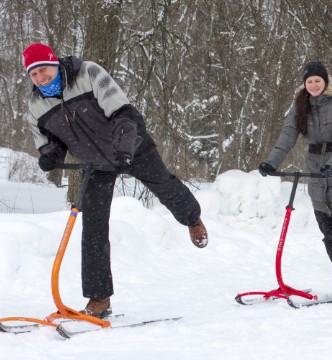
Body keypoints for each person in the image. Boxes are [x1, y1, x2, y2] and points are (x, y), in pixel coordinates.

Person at [22, 42, 209, 317]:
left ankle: (192, 218)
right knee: (94, 227)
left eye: (44, 70)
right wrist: (50, 154)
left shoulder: (88, 73)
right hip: (94, 163)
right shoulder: (36, 105)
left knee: (164, 186)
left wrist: (124, 148)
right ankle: (99, 299)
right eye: (33, 74)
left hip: (131, 145)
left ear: (55, 63)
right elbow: (49, 141)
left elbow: (122, 112)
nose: (41, 78)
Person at [258, 61, 332, 298]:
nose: (314, 85)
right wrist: (271, 162)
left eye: (318, 80)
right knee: (329, 236)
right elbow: (287, 136)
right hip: (317, 179)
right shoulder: (299, 107)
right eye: (309, 81)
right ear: (304, 84)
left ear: (326, 82)